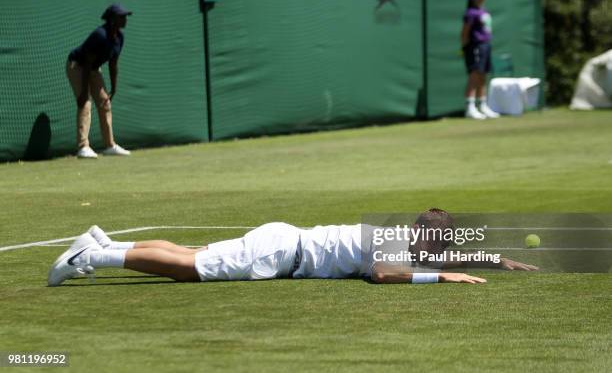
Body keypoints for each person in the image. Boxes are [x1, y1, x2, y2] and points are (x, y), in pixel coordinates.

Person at [47, 209, 538, 286]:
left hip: (282, 239)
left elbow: (419, 259)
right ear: (424, 235)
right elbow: (383, 276)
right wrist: (445, 276)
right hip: (280, 254)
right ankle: (91, 256)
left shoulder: (398, 236)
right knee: (190, 267)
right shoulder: (394, 248)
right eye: (439, 244)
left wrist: (488, 258)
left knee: (188, 250)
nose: (437, 252)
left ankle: (106, 241)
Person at [66, 3, 132, 159]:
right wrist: (83, 91)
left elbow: (113, 64)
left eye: (125, 16)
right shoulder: (100, 35)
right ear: (112, 19)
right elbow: (87, 63)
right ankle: (83, 147)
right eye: (121, 17)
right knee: (85, 103)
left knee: (105, 102)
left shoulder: (120, 38)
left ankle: (109, 146)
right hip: (77, 66)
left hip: (93, 68)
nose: (125, 20)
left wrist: (113, 88)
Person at [461, 0, 500, 120]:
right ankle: (470, 107)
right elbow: (465, 32)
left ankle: (482, 105)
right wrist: (465, 47)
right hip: (474, 46)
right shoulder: (471, 13)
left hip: (485, 46)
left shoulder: (483, 11)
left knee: (483, 75)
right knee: (474, 75)